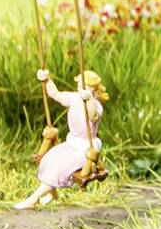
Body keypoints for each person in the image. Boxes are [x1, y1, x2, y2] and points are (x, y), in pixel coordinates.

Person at [9, 67, 108, 210]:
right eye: (78, 85)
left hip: (85, 148)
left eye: (83, 86)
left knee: (59, 167)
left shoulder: (96, 105)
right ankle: (52, 192)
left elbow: (93, 116)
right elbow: (55, 94)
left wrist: (89, 99)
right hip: (71, 143)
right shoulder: (75, 98)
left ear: (92, 88)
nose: (79, 88)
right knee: (49, 159)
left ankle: (33, 198)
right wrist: (47, 79)